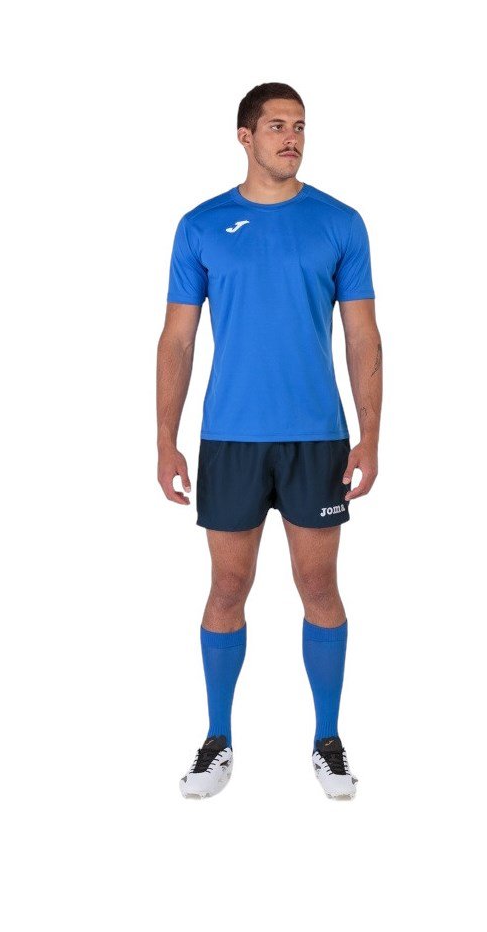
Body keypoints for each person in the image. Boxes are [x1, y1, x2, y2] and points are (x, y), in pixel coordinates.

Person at [156, 82, 383, 801]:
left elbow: (363, 336)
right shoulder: (201, 226)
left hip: (317, 437)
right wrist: (165, 440)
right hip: (231, 438)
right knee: (228, 586)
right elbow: (177, 340)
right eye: (278, 125)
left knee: (319, 587)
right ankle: (217, 737)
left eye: (301, 126)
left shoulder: (339, 223)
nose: (292, 138)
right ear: (245, 136)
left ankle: (328, 740)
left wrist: (371, 435)